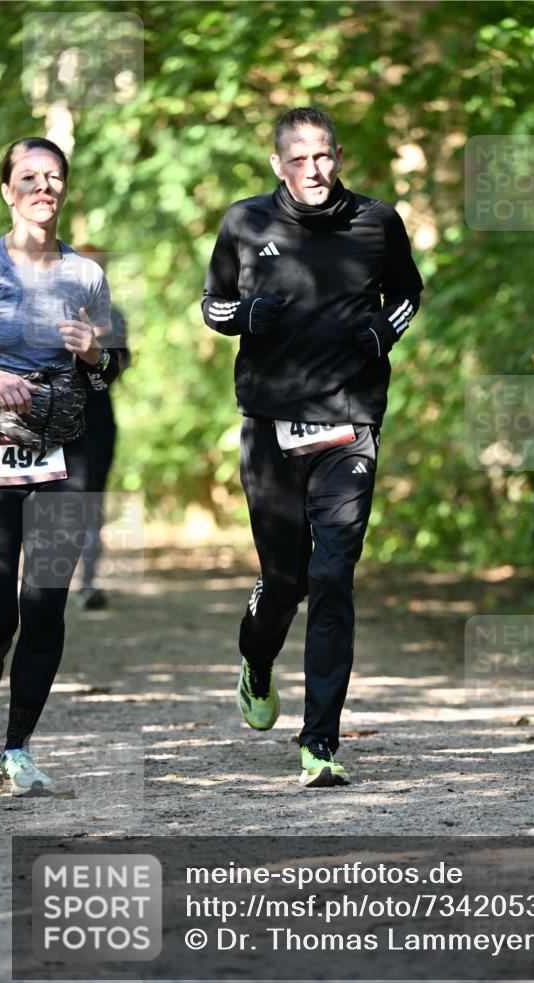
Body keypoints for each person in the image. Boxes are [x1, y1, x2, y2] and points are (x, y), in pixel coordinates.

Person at [201, 108, 423, 787]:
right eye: (297, 159)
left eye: (322, 156)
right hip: (270, 425)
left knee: (333, 576)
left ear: (338, 156)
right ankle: (257, 662)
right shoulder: (246, 223)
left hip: (349, 423)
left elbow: (407, 291)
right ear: (277, 165)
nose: (313, 170)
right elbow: (211, 304)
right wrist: (244, 317)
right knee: (284, 584)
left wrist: (384, 333)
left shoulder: (375, 222)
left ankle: (320, 743)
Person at [0, 137, 117, 795]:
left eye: (54, 178)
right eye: (29, 177)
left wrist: (96, 353)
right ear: (8, 192)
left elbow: (109, 374)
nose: (44, 187)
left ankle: (17, 752)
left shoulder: (86, 275)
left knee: (43, 605)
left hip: (63, 457)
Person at [75, 245, 131, 611]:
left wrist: (99, 355)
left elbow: (122, 362)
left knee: (92, 499)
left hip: (96, 418)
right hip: (47, 418)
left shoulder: (114, 315)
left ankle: (88, 582)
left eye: (101, 268)